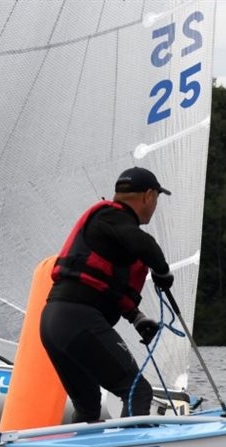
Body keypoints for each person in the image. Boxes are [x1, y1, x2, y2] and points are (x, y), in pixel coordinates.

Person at [40, 167, 175, 422]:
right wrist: (163, 272)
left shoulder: (111, 229)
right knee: (137, 391)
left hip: (54, 322)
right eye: (156, 198)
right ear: (148, 195)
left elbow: (104, 286)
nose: (155, 205)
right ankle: (131, 445)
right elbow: (146, 245)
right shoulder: (112, 217)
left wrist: (136, 317)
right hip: (77, 320)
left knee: (89, 407)